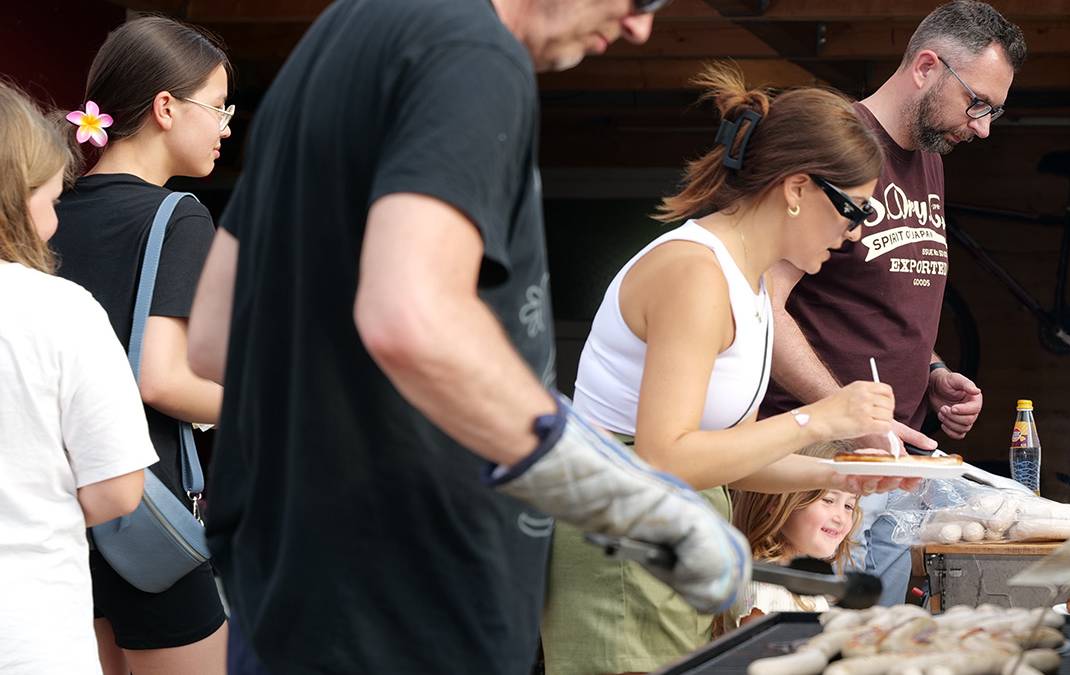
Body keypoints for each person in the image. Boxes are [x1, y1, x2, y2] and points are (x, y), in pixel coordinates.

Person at [183, 0, 749, 673]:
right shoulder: (473, 53)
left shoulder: (337, 38)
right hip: (410, 606)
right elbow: (412, 316)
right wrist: (621, 498)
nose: (640, 28)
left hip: (293, 597)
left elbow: (216, 335)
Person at [544, 63, 920, 674]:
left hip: (671, 543)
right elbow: (666, 459)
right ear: (798, 189)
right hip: (624, 550)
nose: (855, 235)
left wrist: (842, 474)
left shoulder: (748, 283)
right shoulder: (694, 273)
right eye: (854, 211)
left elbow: (722, 458)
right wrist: (817, 418)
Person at [760, 0, 1028, 606]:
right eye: (978, 103)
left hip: (891, 457)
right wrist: (843, 413)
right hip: (806, 466)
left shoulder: (930, 156)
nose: (982, 126)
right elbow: (760, 307)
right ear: (927, 66)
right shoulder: (839, 148)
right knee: (796, 638)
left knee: (868, 644)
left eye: (994, 112)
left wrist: (931, 373)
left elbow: (886, 292)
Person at [48, 16, 233, 674]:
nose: (225, 127)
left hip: (64, 516)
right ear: (165, 108)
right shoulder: (177, 215)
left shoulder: (49, 209)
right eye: (217, 107)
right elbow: (161, 379)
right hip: (144, 512)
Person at [0, 81, 157, 675]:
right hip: (28, 633)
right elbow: (118, 488)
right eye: (51, 197)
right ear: (16, 196)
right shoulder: (61, 310)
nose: (55, 216)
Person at [727, 442, 863, 629]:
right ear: (776, 502)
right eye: (828, 500)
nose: (841, 518)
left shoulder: (806, 582)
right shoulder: (764, 590)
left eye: (849, 506)